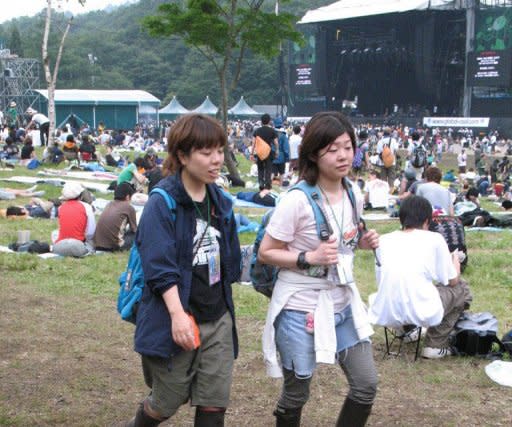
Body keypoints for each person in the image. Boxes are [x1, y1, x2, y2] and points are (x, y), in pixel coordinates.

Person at [258, 111, 379, 426]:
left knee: (366, 384)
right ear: (313, 153)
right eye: (332, 149)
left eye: (347, 146)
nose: (343, 155)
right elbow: (266, 252)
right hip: (299, 307)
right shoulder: (295, 201)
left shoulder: (353, 192)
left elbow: (343, 244)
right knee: (297, 392)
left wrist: (361, 243)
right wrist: (306, 258)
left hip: (342, 302)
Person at [122, 114, 241, 427]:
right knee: (166, 401)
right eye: (206, 153)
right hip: (176, 314)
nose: (217, 160)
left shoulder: (221, 202)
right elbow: (159, 268)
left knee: (214, 404)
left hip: (217, 316)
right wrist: (177, 315)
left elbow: (230, 262)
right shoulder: (162, 202)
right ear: (183, 156)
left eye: (220, 151)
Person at [369, 195, 471, 359]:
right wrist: (455, 262)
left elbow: (381, 279)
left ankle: (408, 330)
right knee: (461, 288)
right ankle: (435, 345)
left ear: (401, 219)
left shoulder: (383, 240)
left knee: (412, 286)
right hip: (419, 309)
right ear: (427, 221)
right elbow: (452, 280)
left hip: (386, 309)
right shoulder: (434, 238)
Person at [52, 182, 96, 257]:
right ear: (81, 195)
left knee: (54, 233)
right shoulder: (86, 207)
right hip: (78, 246)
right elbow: (90, 232)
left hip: (58, 247)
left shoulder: (61, 208)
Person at [93, 183, 137, 251]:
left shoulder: (109, 204)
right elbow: (135, 230)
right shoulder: (129, 208)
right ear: (128, 197)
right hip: (113, 246)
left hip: (97, 244)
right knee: (136, 235)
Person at [251, 113, 278, 190]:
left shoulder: (257, 131)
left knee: (260, 168)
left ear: (261, 121)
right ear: (269, 121)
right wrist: (277, 151)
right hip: (268, 152)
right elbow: (276, 143)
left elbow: (253, 143)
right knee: (268, 168)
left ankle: (261, 183)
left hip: (260, 153)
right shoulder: (272, 131)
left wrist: (252, 153)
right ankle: (268, 184)